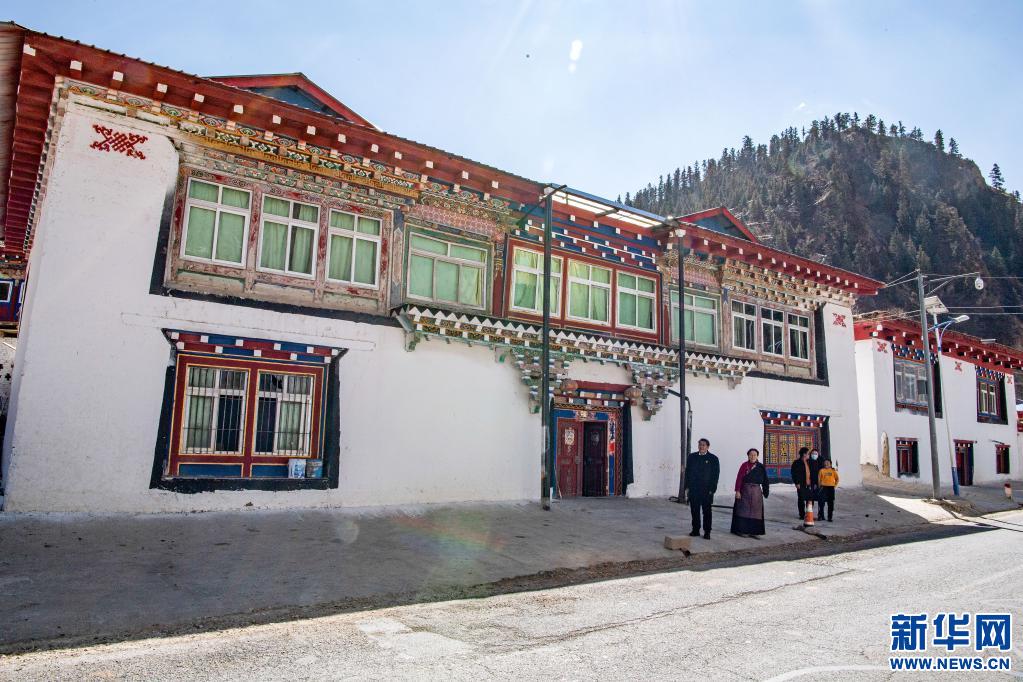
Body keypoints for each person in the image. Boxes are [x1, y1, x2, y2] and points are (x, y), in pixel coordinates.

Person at [684, 438, 719, 539]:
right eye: (700, 444)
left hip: (707, 490)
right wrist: (687, 487)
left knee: (707, 512)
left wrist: (712, 489)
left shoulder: (713, 459)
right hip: (694, 489)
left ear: (708, 447)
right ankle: (695, 530)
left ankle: (707, 532)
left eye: (703, 445)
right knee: (694, 511)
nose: (701, 446)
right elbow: (687, 473)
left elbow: (715, 475)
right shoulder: (692, 457)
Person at [730, 448, 770, 537]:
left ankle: (754, 532)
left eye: (754, 455)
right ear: (748, 456)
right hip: (745, 491)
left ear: (757, 456)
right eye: (751, 455)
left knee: (756, 512)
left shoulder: (761, 467)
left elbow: (765, 480)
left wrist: (766, 491)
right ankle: (741, 530)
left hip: (756, 492)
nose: (752, 456)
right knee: (743, 511)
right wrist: (738, 491)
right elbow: (739, 478)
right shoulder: (744, 465)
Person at [790, 447, 812, 519]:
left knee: (809, 499)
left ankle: (808, 513)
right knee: (801, 499)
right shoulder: (796, 463)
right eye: (808, 453)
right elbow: (794, 473)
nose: (809, 455)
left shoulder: (809, 462)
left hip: (809, 483)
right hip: (801, 484)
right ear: (804, 454)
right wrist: (797, 483)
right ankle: (802, 515)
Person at [808, 448, 824, 518]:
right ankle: (809, 514)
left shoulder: (821, 462)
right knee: (810, 498)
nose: (814, 455)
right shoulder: (808, 462)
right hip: (810, 482)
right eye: (813, 453)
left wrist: (819, 483)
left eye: (815, 454)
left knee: (821, 499)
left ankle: (821, 514)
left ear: (818, 454)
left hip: (819, 483)